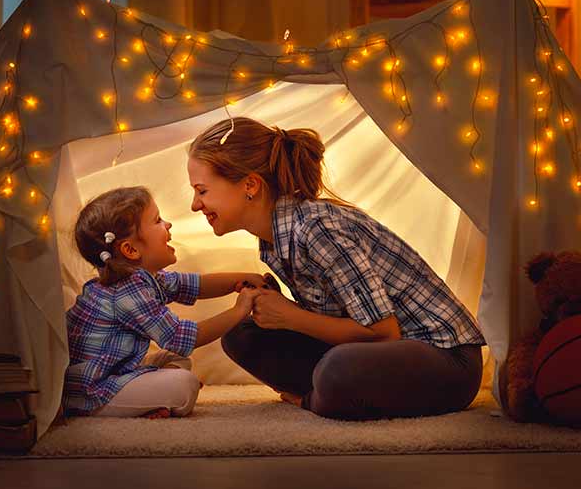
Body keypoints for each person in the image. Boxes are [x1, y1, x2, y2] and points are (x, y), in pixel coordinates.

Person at [186, 117, 486, 420]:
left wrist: (290, 316)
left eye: (202, 191)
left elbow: (383, 333)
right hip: (378, 354)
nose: (195, 206)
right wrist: (280, 312)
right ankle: (329, 394)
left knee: (338, 369)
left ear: (250, 185)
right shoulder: (274, 241)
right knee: (241, 335)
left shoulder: (317, 229)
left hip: (445, 360)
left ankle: (316, 399)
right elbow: (340, 318)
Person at [64, 186, 266, 418]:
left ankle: (153, 398)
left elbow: (196, 285)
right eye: (157, 220)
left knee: (176, 360)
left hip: (114, 371)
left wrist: (241, 279)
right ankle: (156, 397)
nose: (168, 224)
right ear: (130, 249)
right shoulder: (125, 293)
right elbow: (182, 337)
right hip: (93, 390)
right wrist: (240, 310)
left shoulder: (142, 279)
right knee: (184, 385)